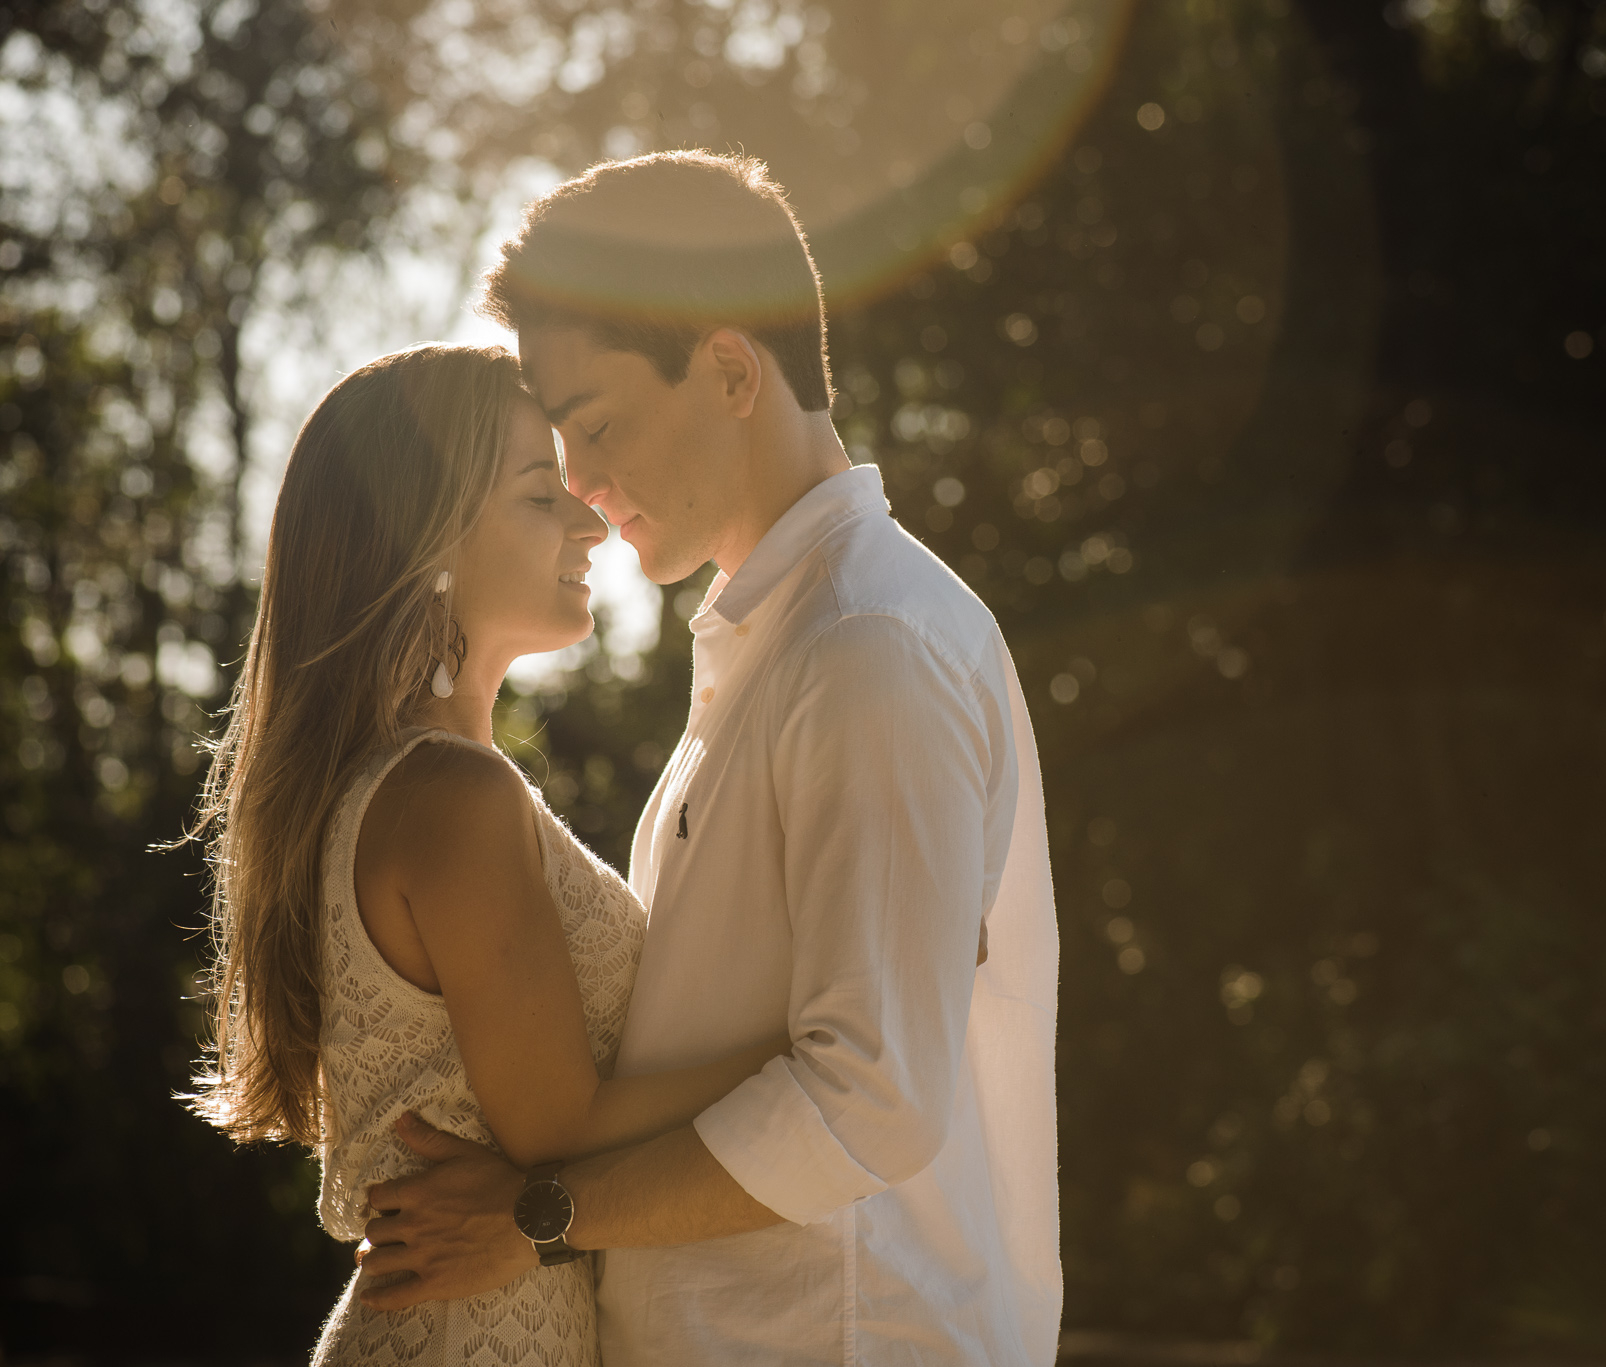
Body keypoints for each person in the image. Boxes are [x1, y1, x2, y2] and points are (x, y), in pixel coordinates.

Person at [352, 151, 1062, 1364]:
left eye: (597, 423)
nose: (579, 484)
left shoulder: (868, 647)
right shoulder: (780, 646)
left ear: (731, 368)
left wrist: (538, 1221)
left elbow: (870, 1095)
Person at [186, 342, 791, 1365]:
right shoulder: (450, 797)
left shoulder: (424, 783)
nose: (588, 519)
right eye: (538, 493)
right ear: (428, 540)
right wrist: (817, 1027)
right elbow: (563, 1119)